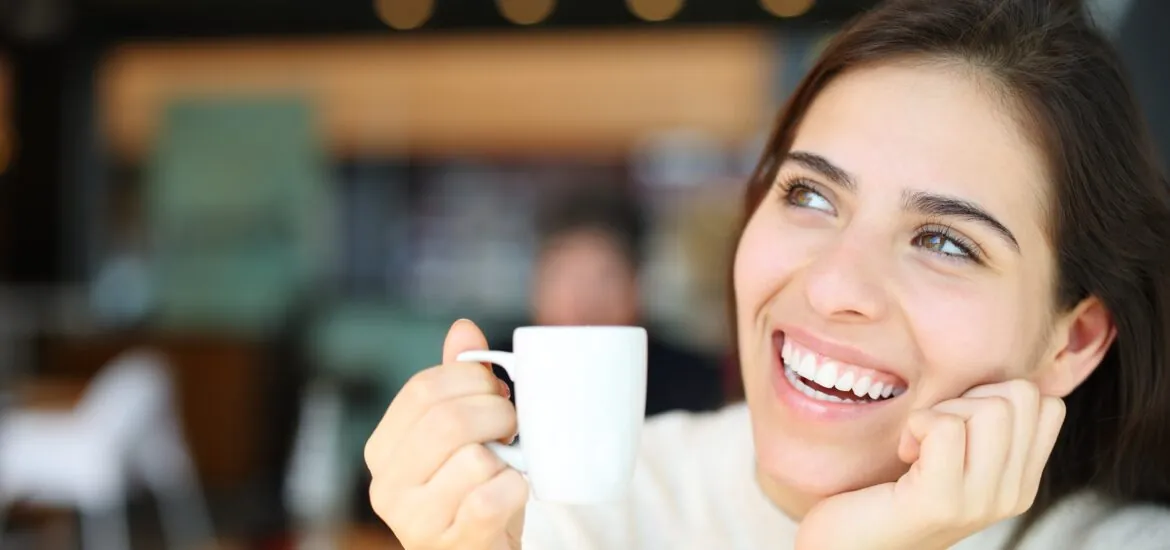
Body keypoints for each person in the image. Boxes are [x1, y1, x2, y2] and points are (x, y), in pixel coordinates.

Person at [363, 0, 1170, 548]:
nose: (832, 286)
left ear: (1075, 340)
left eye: (946, 242)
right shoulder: (572, 511)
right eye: (810, 194)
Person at [487, 186, 725, 417]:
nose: (585, 301)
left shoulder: (689, 381)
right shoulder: (496, 374)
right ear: (536, 286)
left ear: (637, 288)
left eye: (605, 279)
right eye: (567, 277)